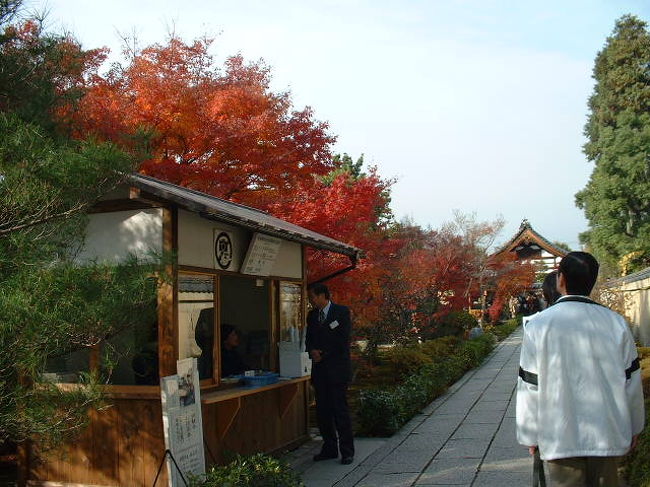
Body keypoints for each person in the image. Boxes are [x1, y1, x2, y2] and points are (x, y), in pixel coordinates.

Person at [516, 252, 644, 486]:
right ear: (593, 281)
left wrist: (529, 433)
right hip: (609, 430)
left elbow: (529, 384)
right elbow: (631, 380)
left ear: (560, 279)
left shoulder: (539, 326)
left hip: (558, 433)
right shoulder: (615, 322)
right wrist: (634, 425)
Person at [305, 282, 355, 465]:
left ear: (323, 296)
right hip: (320, 371)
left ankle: (347, 451)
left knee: (340, 410)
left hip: (337, 369)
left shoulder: (341, 312)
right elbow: (308, 339)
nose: (311, 300)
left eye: (313, 297)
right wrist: (312, 351)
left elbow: (343, 339)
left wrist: (323, 353)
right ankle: (329, 448)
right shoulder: (312, 316)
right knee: (323, 411)